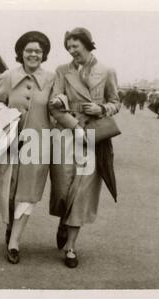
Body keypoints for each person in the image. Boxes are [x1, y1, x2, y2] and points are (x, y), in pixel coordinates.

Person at [0, 31, 54, 264]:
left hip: (38, 144)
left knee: (28, 194)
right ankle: (10, 225)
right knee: (8, 190)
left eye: (38, 51)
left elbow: (56, 108)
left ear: (44, 54)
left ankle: (15, 241)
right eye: (29, 50)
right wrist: (4, 114)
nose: (34, 54)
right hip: (9, 143)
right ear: (21, 53)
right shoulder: (7, 76)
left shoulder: (51, 79)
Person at [49, 27, 120, 268]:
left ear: (88, 45)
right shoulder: (61, 71)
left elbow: (115, 102)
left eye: (75, 46)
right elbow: (54, 103)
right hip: (66, 135)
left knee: (82, 192)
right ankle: (63, 220)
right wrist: (60, 103)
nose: (71, 51)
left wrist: (102, 109)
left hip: (94, 138)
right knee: (63, 188)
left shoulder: (107, 71)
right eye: (68, 47)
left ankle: (70, 246)